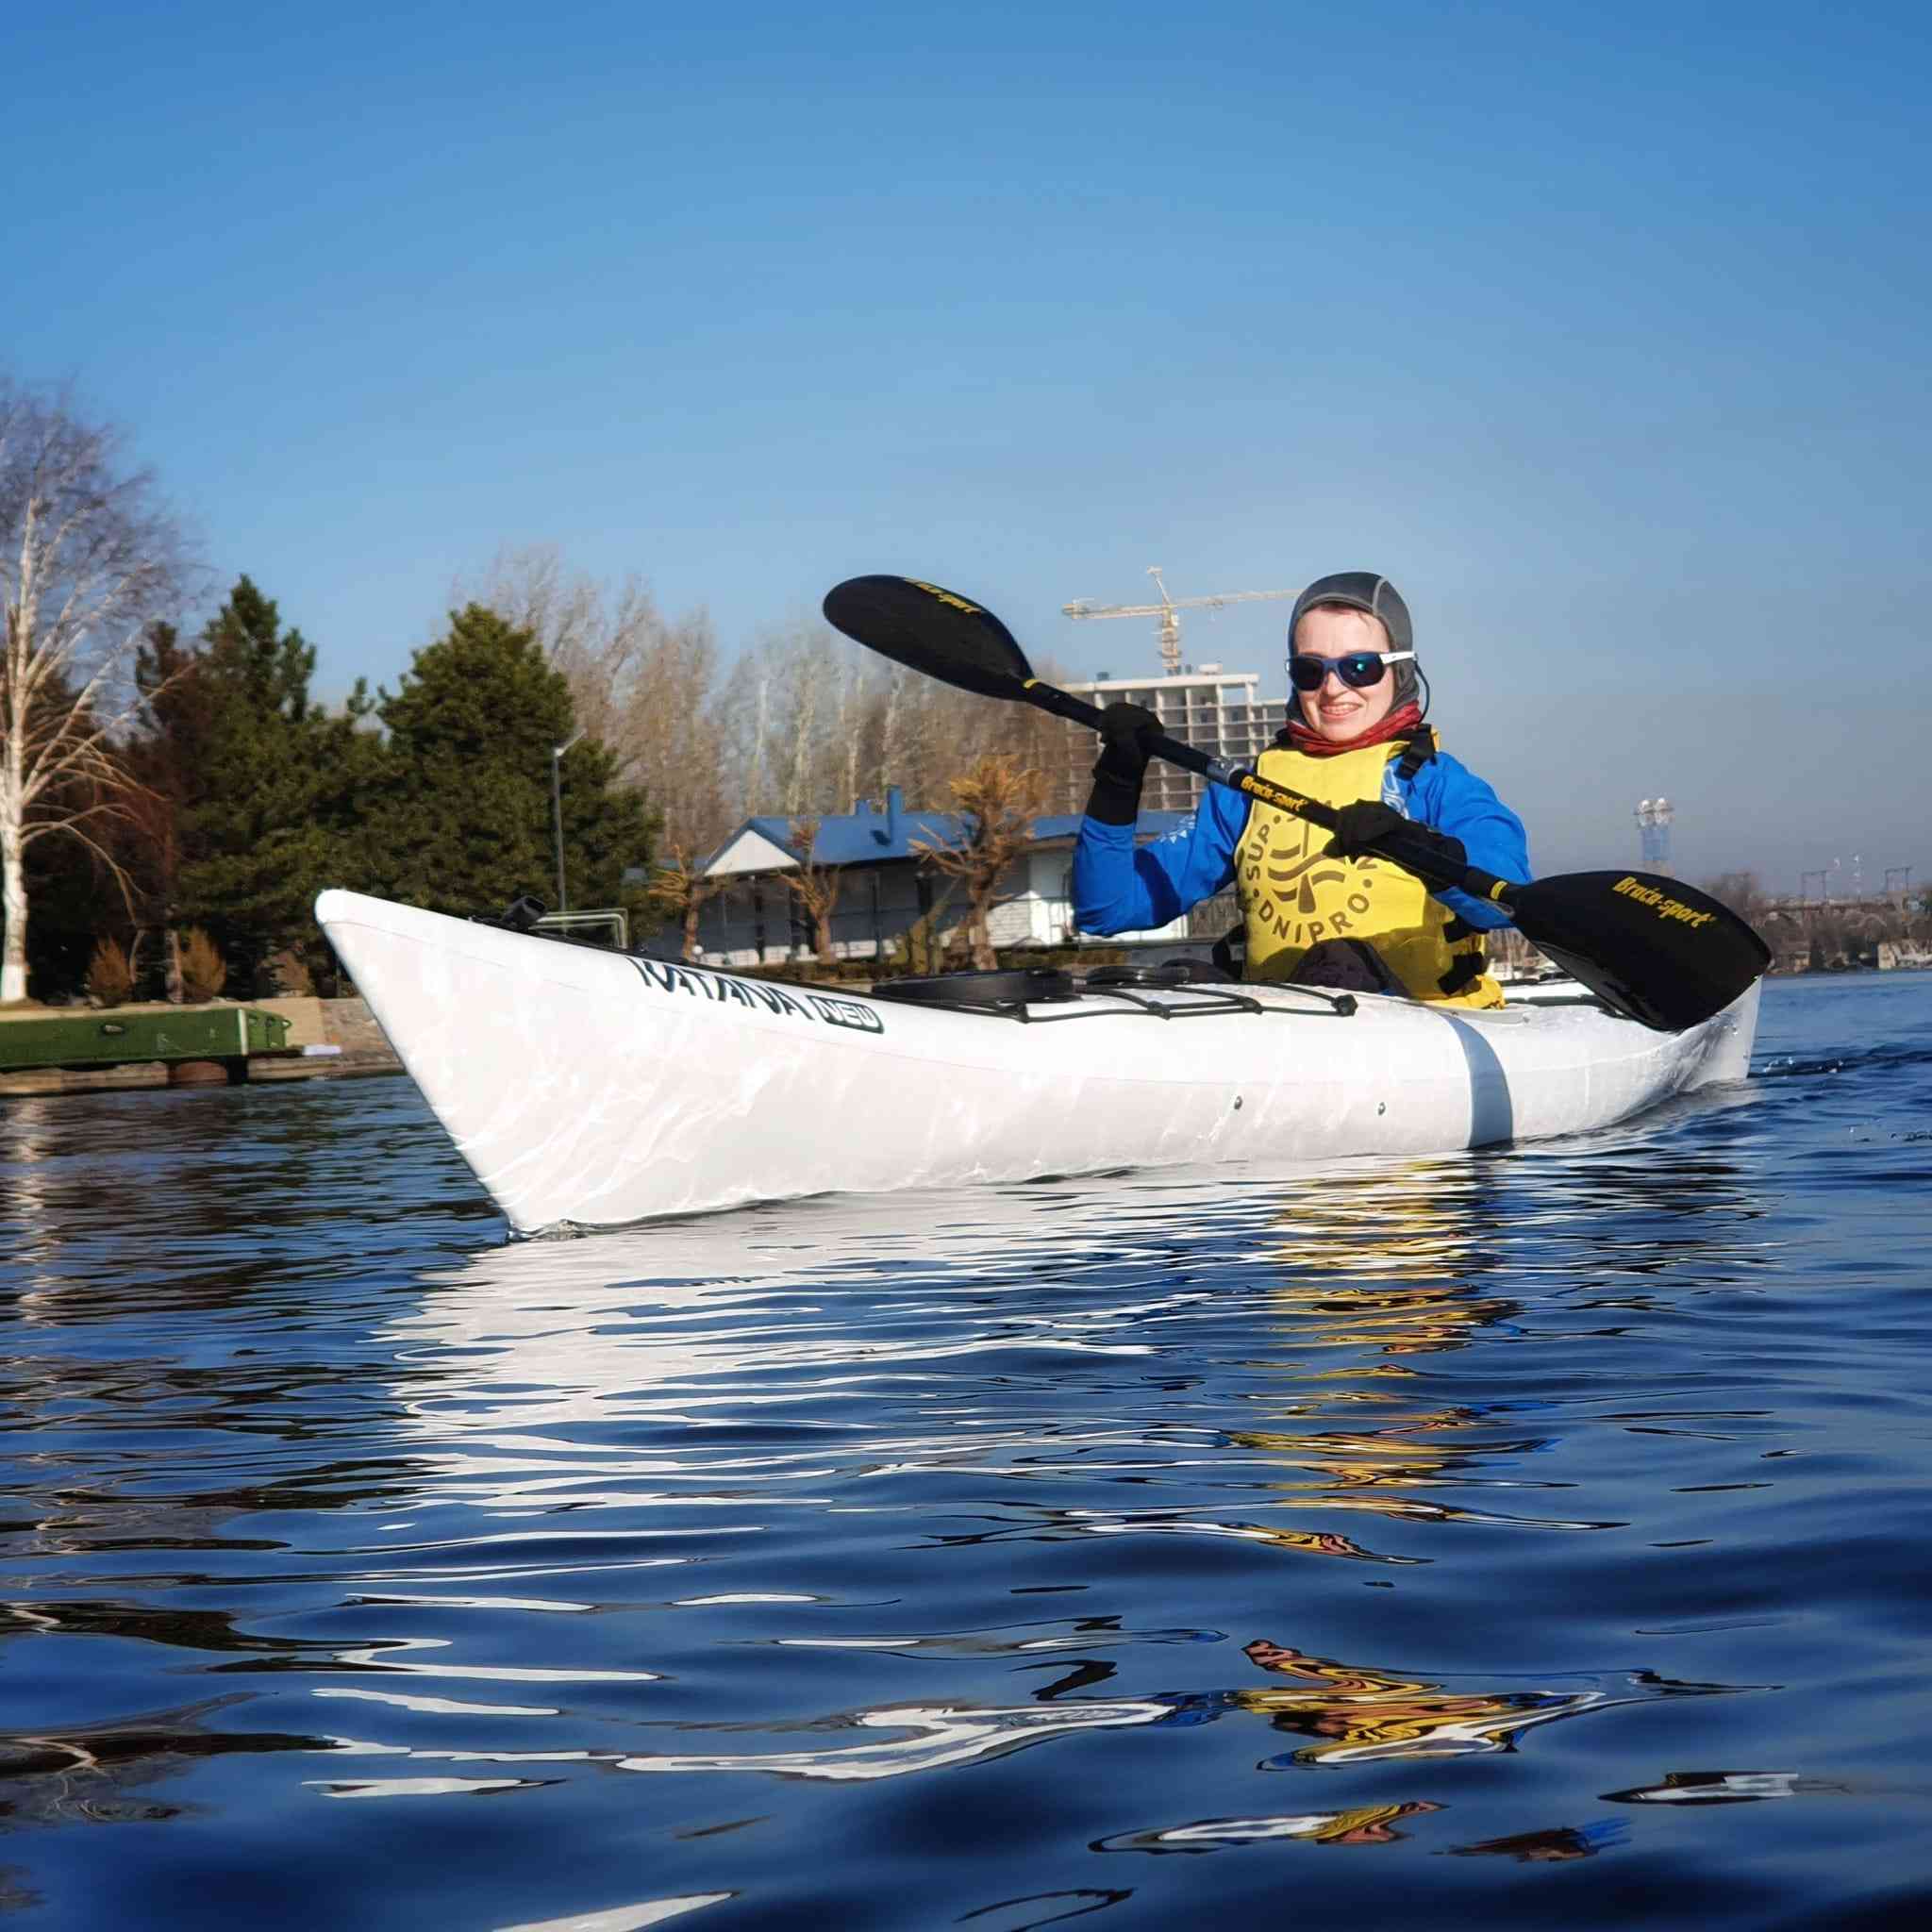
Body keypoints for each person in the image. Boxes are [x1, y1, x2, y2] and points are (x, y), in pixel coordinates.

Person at [1071, 572, 1529, 1007]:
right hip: (1294, 1043)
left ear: (1401, 671)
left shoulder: (1435, 784)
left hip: (1428, 1032)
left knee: (1342, 963)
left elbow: (1506, 904)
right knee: (1184, 980)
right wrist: (1118, 780)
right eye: (1310, 671)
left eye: (1360, 667)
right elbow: (1108, 908)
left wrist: (1420, 848)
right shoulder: (1249, 792)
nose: (1332, 689)